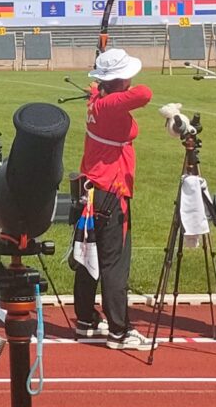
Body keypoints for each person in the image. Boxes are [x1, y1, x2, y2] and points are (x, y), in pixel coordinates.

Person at [72, 48, 155, 350]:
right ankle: (120, 330)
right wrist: (106, 85)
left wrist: (100, 86)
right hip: (111, 191)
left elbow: (105, 92)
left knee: (88, 255)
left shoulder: (97, 101)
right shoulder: (109, 104)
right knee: (114, 262)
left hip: (92, 189)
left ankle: (85, 318)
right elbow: (145, 93)